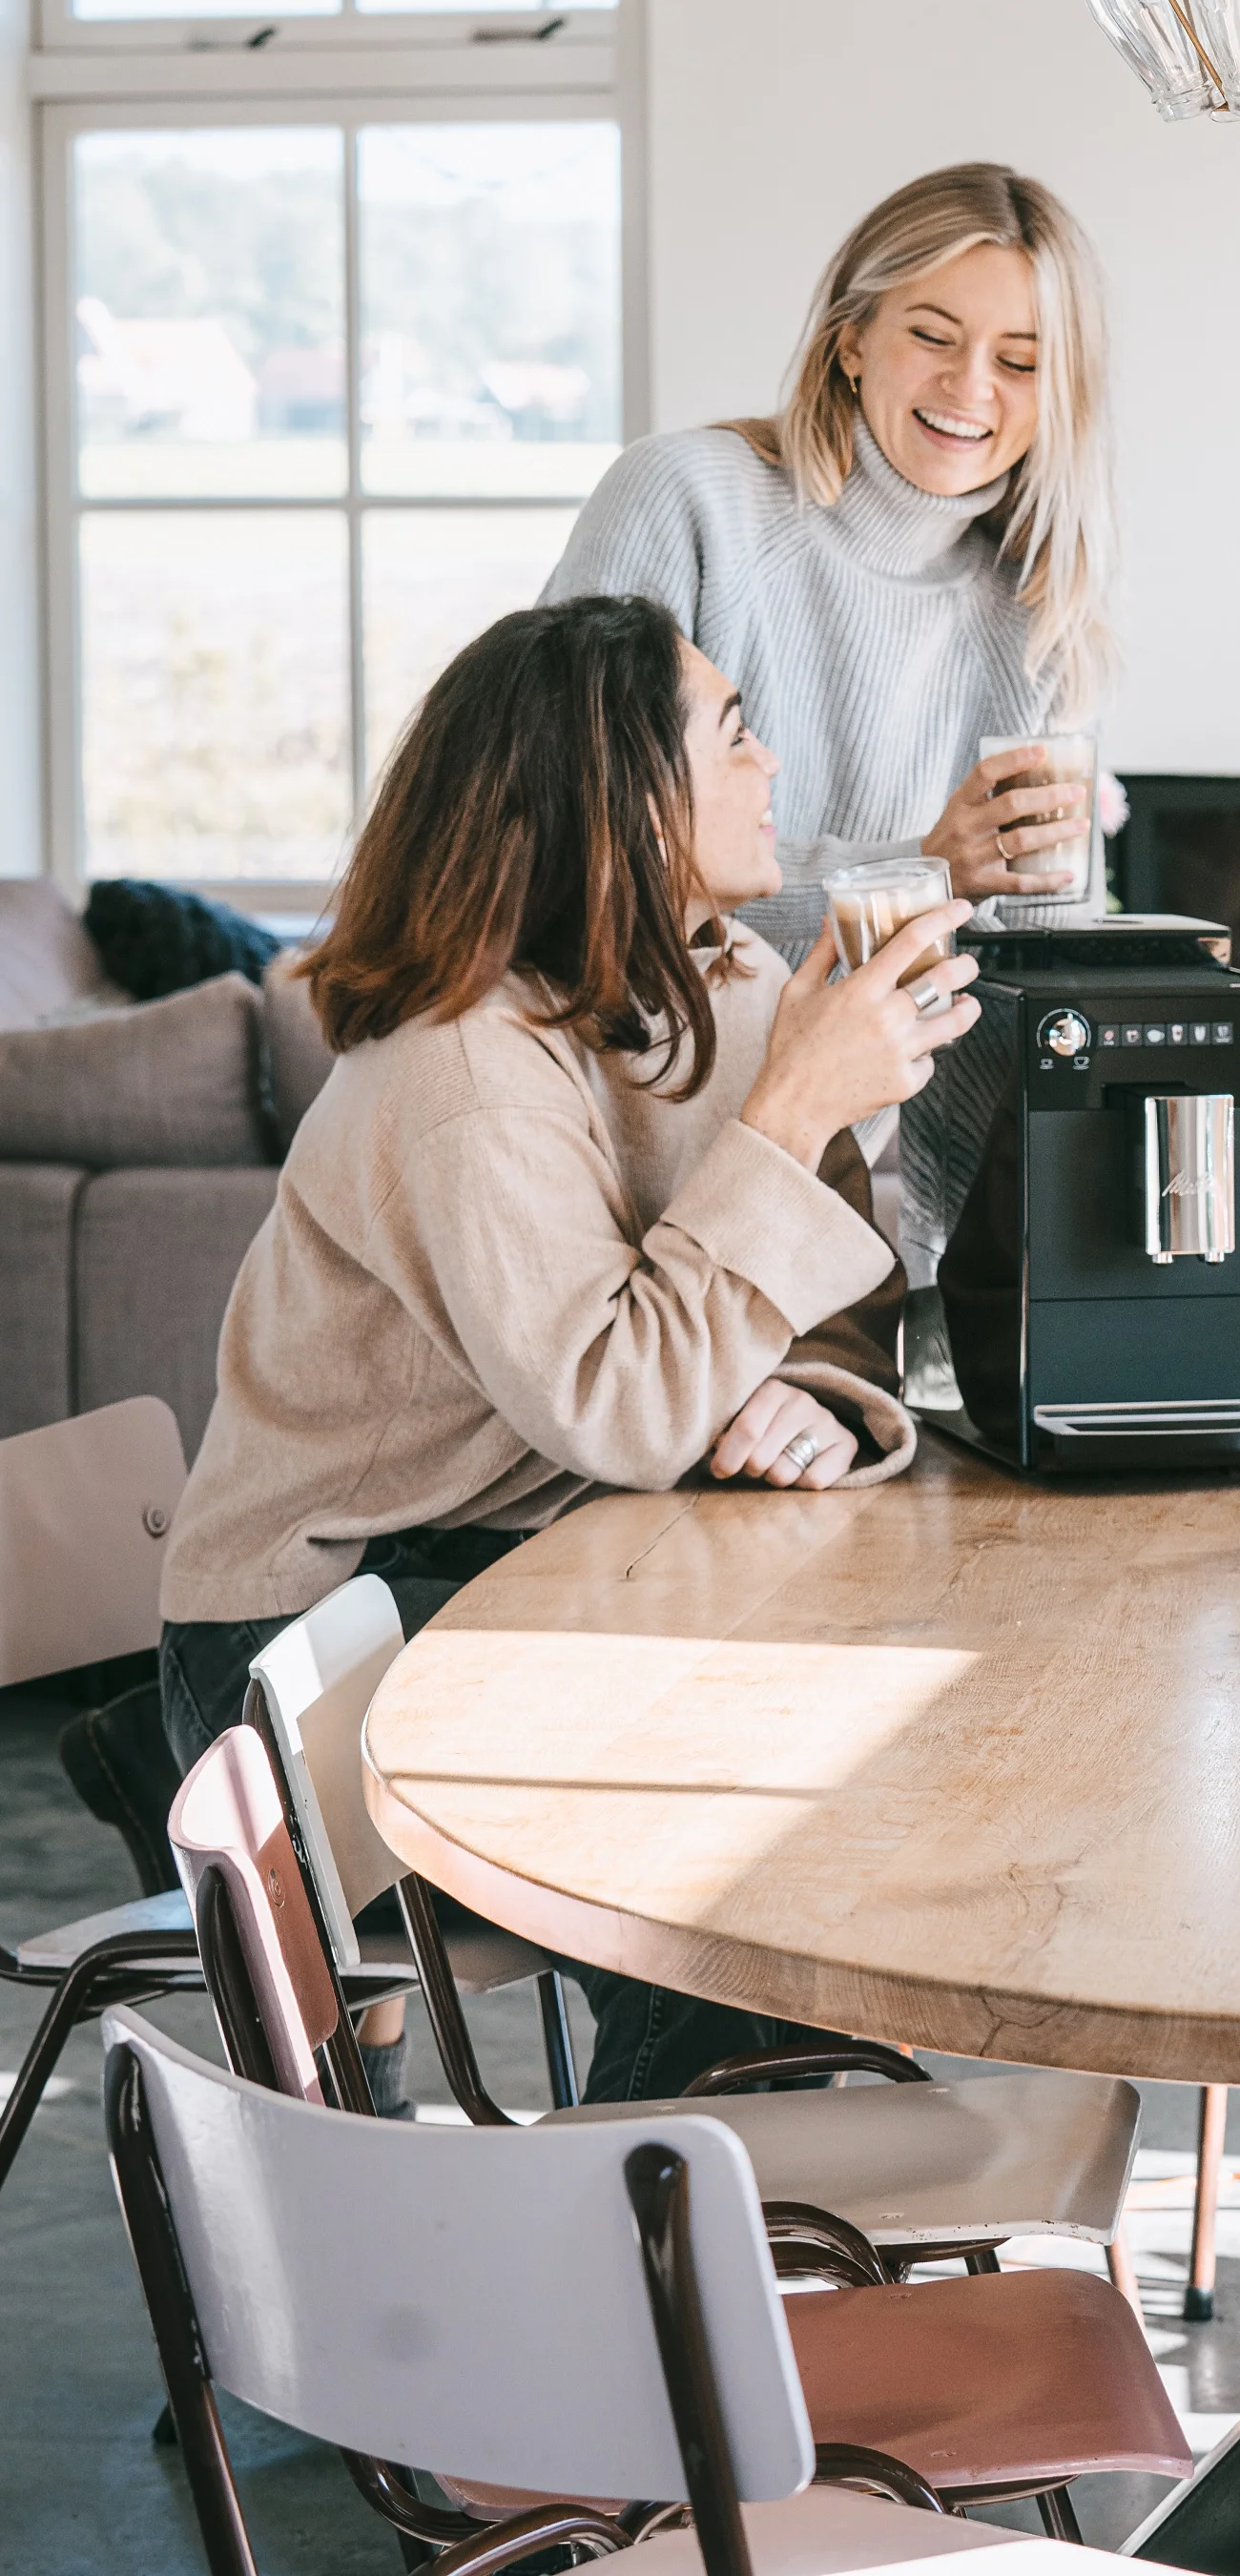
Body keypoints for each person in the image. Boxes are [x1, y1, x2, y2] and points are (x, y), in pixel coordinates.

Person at [159, 591, 978, 2101]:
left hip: (548, 1564)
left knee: (824, 1783)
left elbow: (832, 1299)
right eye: (732, 734)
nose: (772, 763)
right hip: (326, 1632)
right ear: (623, 798)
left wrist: (815, 1396)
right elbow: (621, 1407)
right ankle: (668, 2247)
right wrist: (797, 1109)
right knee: (734, 1858)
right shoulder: (462, 1065)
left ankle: (733, 2218)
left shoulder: (718, 982)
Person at [541, 163, 1117, 968]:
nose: (969, 385)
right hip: (662, 1075)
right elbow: (572, 857)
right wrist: (925, 868)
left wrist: (1058, 874)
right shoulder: (690, 502)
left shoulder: (1035, 605)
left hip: (915, 1085)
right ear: (851, 341)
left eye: (1020, 362)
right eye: (932, 336)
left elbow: (1040, 962)